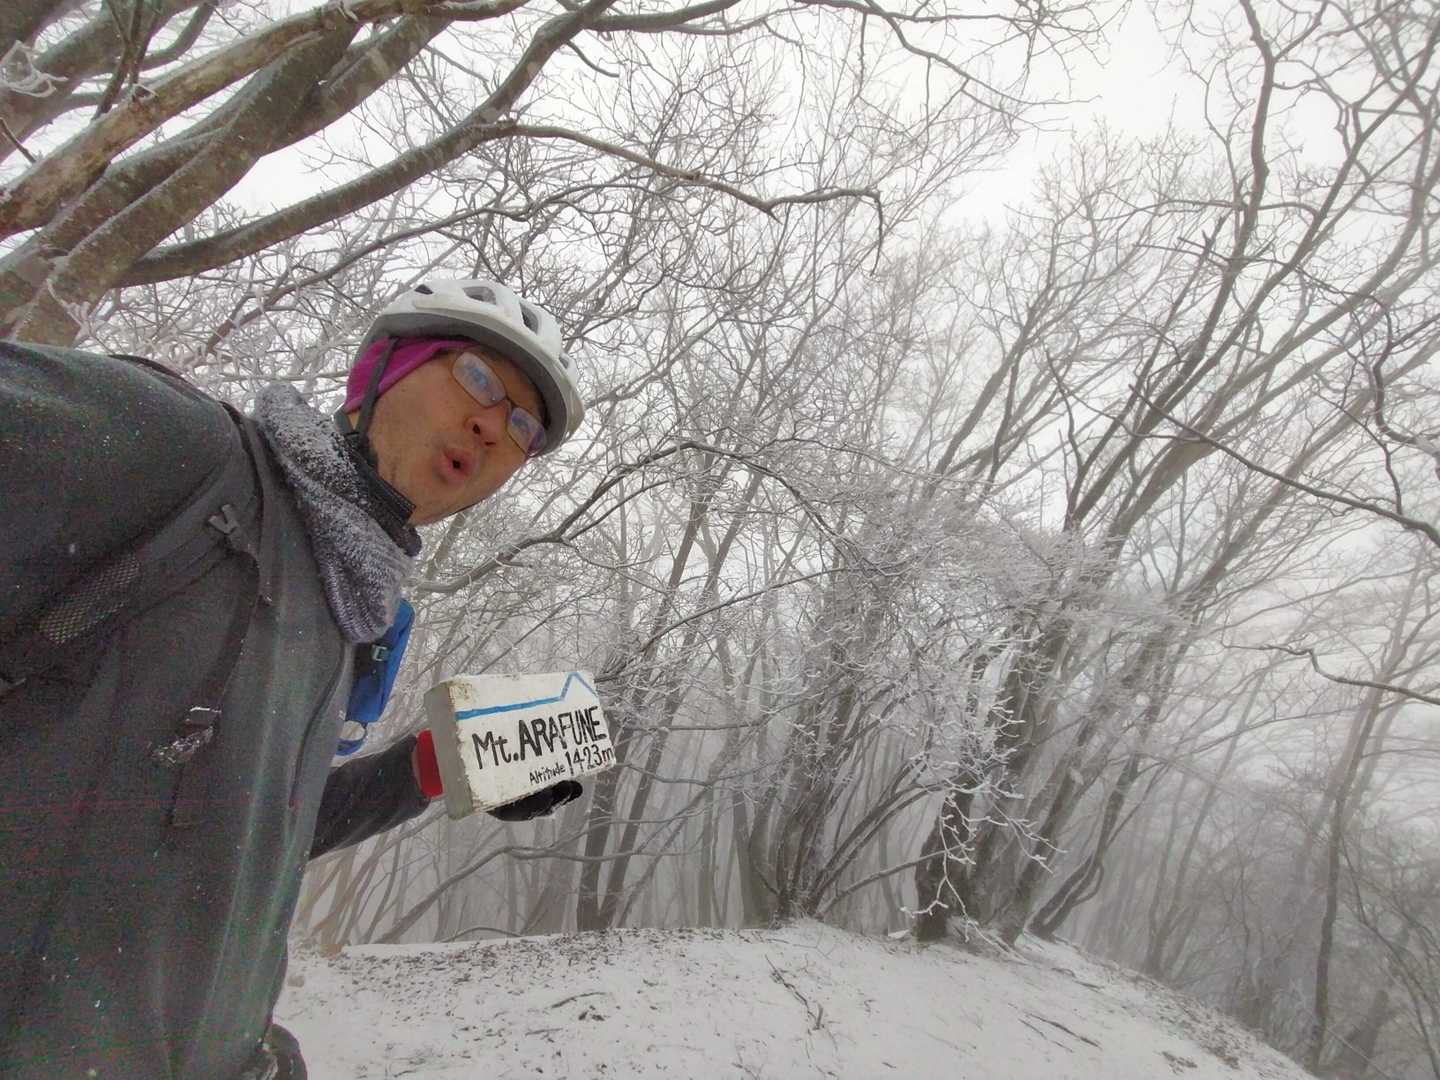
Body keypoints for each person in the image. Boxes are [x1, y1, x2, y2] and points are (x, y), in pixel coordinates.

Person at [0, 279, 586, 1079]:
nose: (492, 425)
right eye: (476, 377)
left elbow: (259, 836)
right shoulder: (183, 457)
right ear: (381, 368)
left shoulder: (347, 618)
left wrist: (434, 764)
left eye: (522, 427)